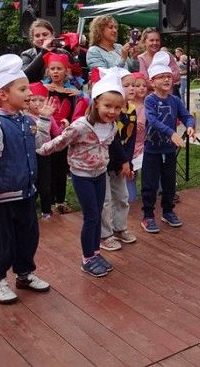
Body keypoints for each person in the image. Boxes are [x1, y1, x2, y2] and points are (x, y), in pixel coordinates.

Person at [37, 71, 123, 277]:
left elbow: (106, 146)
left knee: (98, 214)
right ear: (96, 103)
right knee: (91, 216)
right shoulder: (81, 126)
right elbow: (60, 142)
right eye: (108, 106)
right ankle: (87, 258)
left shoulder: (112, 126)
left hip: (100, 174)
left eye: (117, 107)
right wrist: (40, 149)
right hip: (82, 175)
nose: (112, 111)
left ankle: (95, 253)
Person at [0, 54, 54, 303]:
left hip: (25, 190)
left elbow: (39, 145)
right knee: (1, 240)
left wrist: (43, 120)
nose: (30, 94)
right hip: (2, 193)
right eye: (22, 89)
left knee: (28, 235)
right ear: (3, 95)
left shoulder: (25, 120)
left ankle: (24, 273)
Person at [140, 51, 196, 233]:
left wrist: (190, 126)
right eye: (161, 77)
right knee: (150, 184)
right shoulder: (149, 100)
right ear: (152, 81)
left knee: (169, 183)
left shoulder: (175, 100)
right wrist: (172, 133)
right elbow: (153, 120)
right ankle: (148, 216)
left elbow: (187, 116)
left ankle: (168, 211)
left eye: (169, 76)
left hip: (169, 150)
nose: (166, 79)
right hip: (152, 150)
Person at [99, 68, 138, 251]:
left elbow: (131, 138)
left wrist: (128, 162)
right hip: (105, 162)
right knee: (105, 200)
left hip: (121, 163)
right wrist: (123, 160)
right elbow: (113, 140)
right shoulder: (110, 113)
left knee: (122, 197)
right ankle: (104, 235)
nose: (132, 88)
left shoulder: (131, 109)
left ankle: (119, 228)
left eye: (133, 85)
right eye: (126, 85)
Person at [42, 52, 81, 214]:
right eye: (53, 69)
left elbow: (81, 106)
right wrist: (43, 89)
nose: (56, 72)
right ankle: (50, 201)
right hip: (48, 135)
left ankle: (61, 200)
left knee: (62, 167)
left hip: (65, 135)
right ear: (48, 71)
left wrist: (80, 94)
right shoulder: (45, 89)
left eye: (59, 69)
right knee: (50, 168)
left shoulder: (71, 91)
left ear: (66, 71)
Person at [26, 83, 62, 219]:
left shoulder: (49, 117)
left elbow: (57, 133)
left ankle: (46, 212)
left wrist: (64, 126)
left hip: (45, 155)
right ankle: (29, 212)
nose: (37, 104)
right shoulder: (25, 118)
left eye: (41, 100)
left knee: (45, 185)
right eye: (33, 100)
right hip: (30, 156)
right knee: (32, 184)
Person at [20, 18, 79, 83]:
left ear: (52, 35)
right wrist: (43, 52)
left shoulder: (64, 52)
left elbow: (77, 75)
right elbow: (23, 77)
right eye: (37, 36)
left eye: (45, 34)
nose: (41, 38)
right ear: (33, 39)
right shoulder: (27, 55)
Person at [137, 27, 180, 94]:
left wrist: (157, 80)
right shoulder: (141, 58)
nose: (155, 43)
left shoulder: (167, 55)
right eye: (151, 40)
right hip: (150, 98)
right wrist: (166, 80)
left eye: (157, 40)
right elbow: (145, 82)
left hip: (168, 96)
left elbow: (176, 76)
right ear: (144, 42)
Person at [127, 72, 148, 201]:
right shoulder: (126, 106)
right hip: (130, 146)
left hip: (144, 145)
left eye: (144, 86)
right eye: (137, 85)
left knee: (149, 173)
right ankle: (131, 199)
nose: (141, 88)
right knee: (130, 175)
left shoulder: (148, 105)